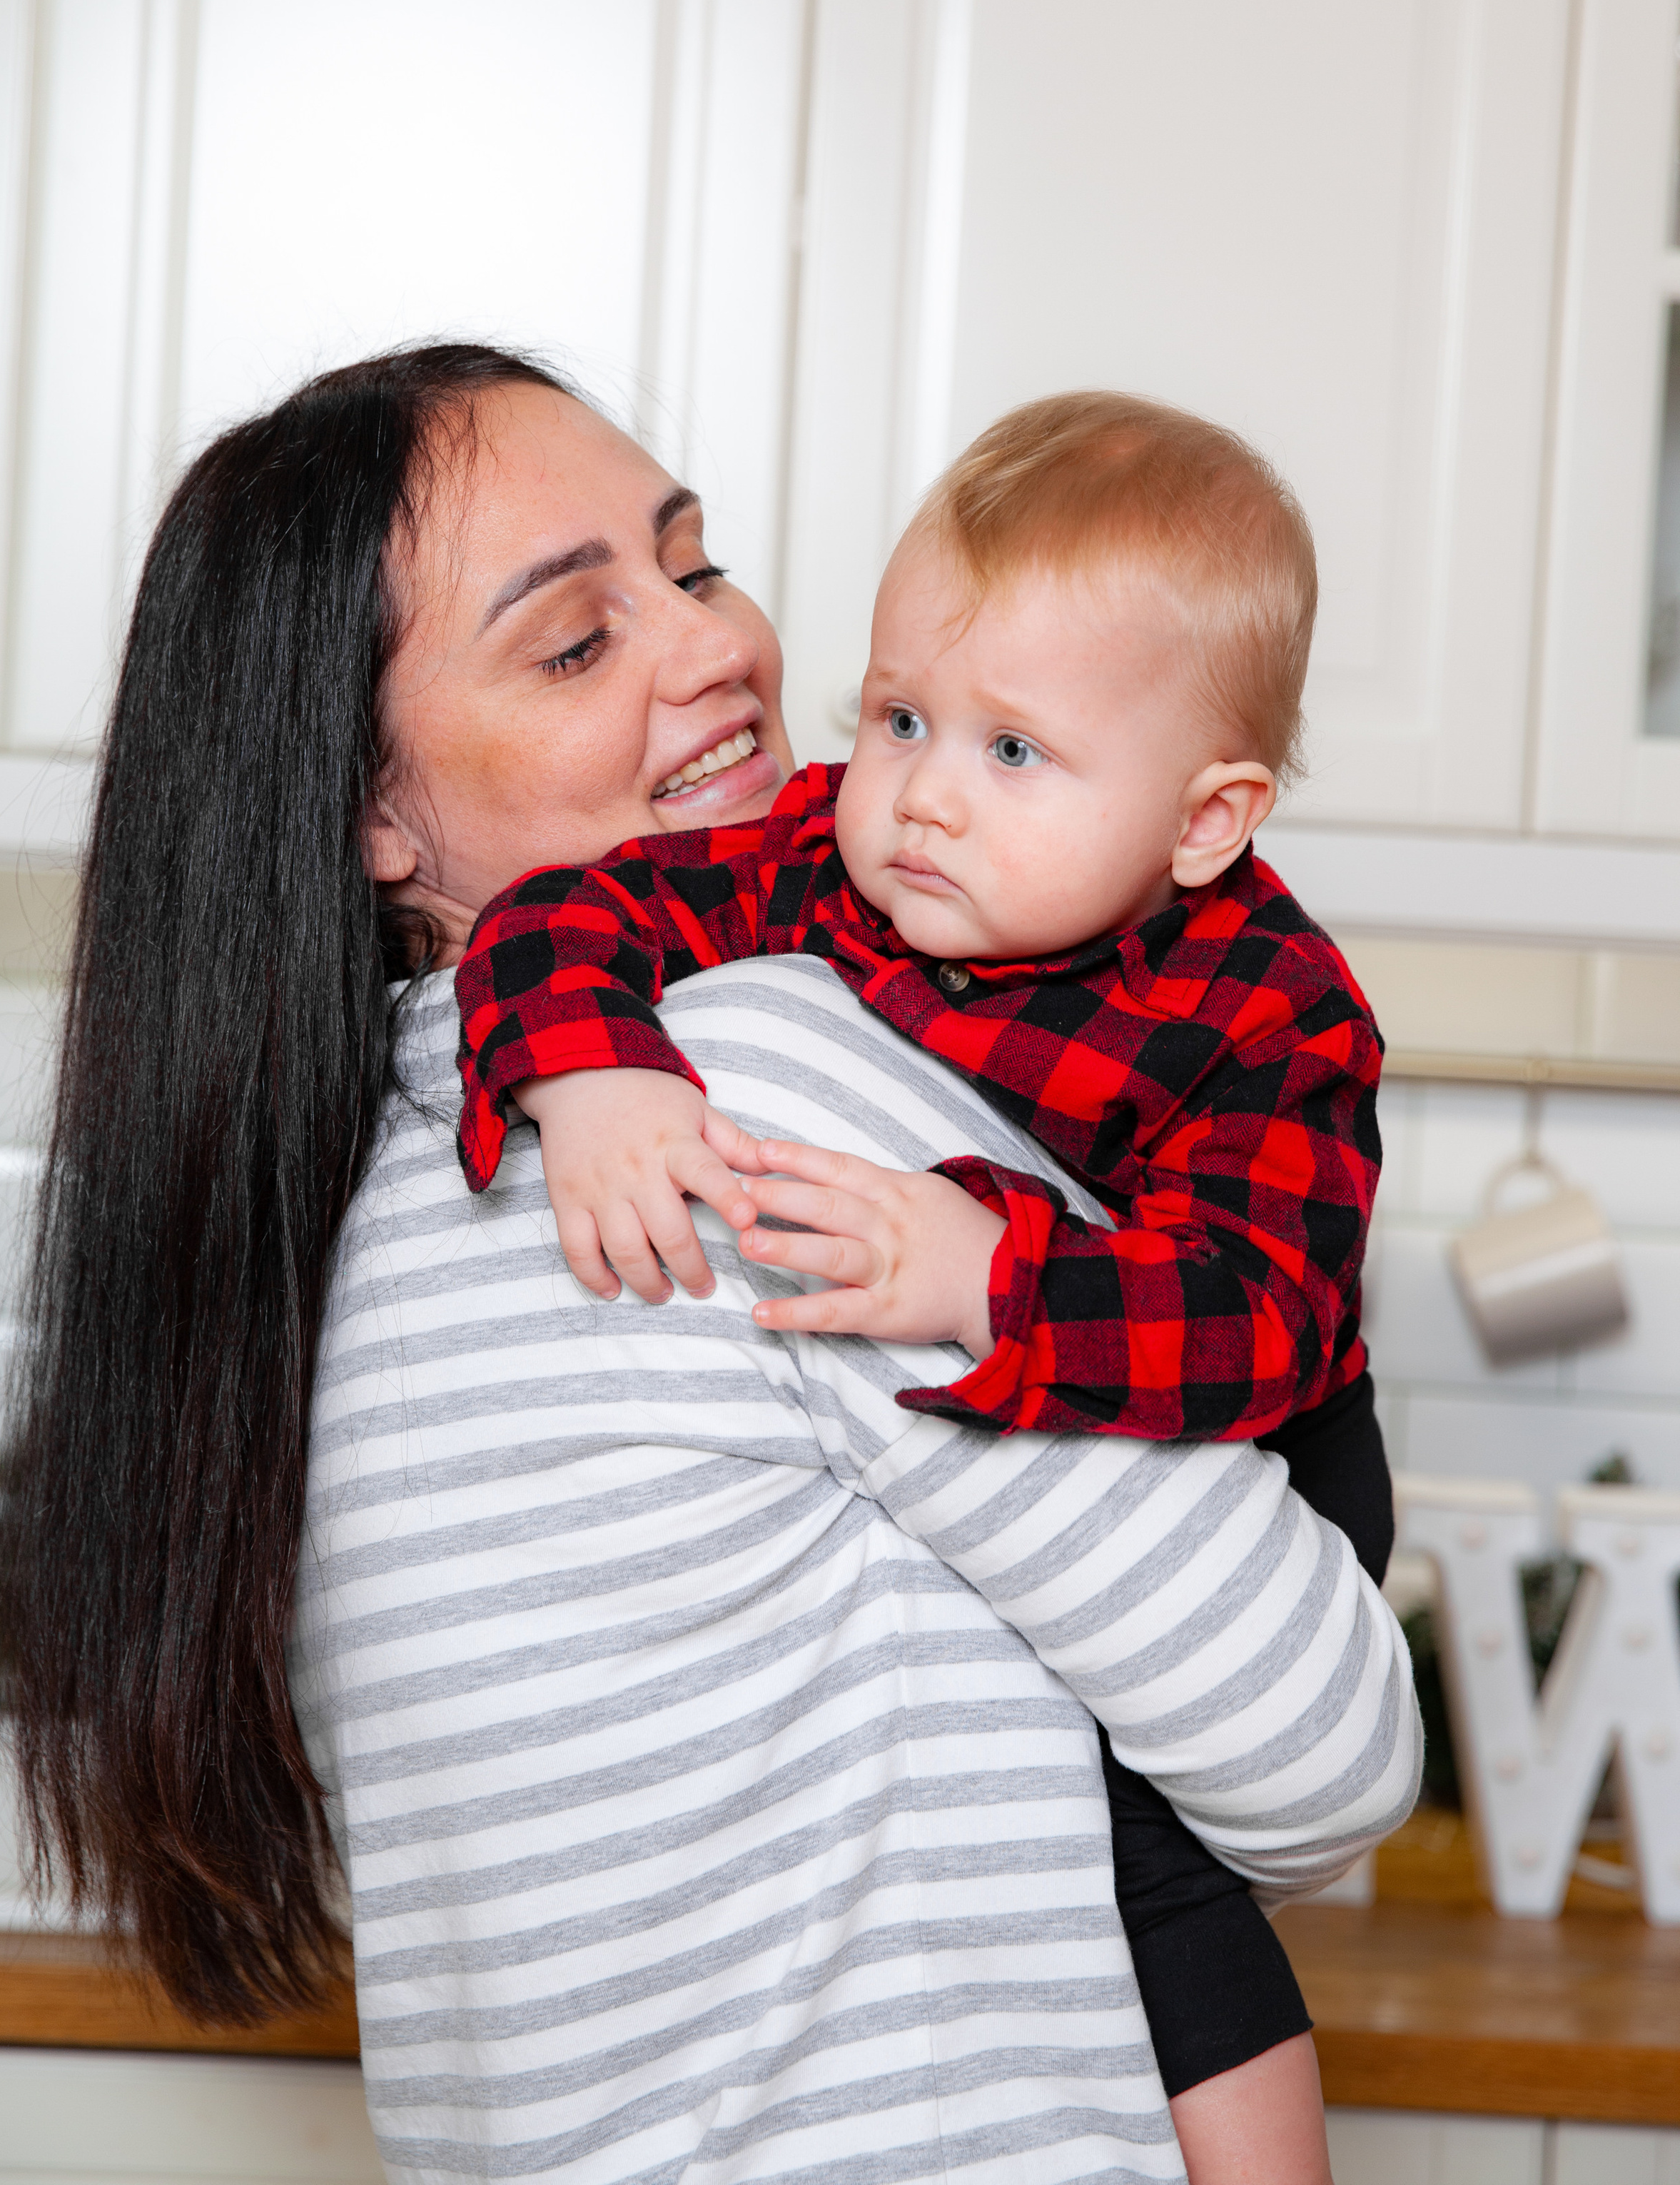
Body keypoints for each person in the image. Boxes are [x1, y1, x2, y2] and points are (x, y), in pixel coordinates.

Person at [0, 347, 1416, 2185]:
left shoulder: (332, 1227)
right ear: (373, 816)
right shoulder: (754, 1088)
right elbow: (1324, 1756)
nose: (718, 648)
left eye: (695, 561)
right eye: (576, 644)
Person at [449, 393, 1391, 2150]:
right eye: (895, 716)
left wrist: (997, 1276)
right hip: (1028, 1406)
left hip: (1248, 1422)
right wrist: (596, 1071)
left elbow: (1267, 1317)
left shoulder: (1273, 1010)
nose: (918, 803)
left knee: (1148, 1872)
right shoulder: (831, 860)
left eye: (1010, 753)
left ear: (1206, 821)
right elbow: (576, 916)